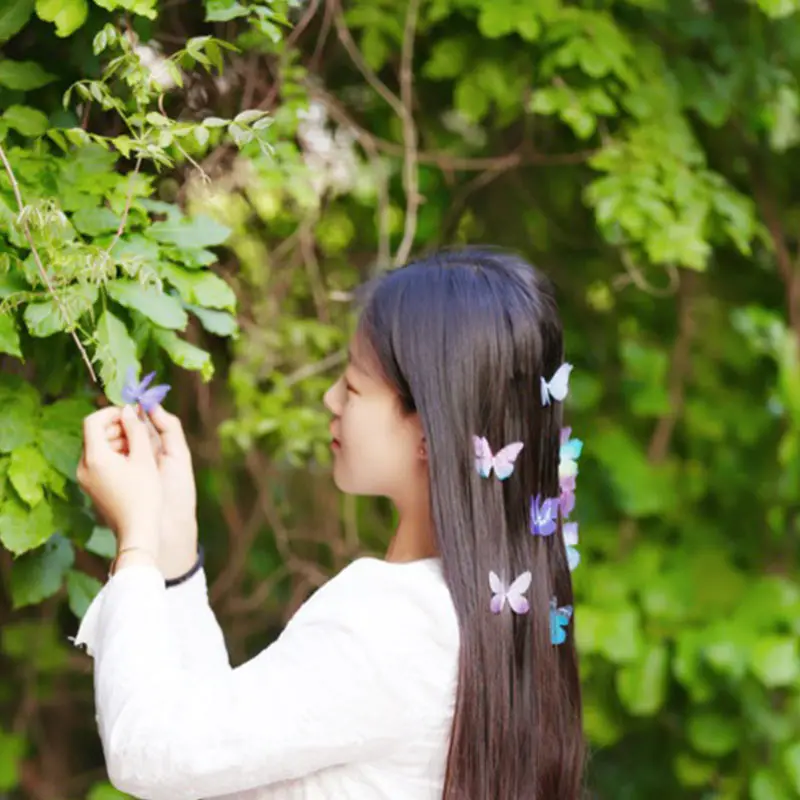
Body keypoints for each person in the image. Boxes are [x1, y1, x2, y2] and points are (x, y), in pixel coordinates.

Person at [74, 247, 585, 800]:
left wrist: (137, 548)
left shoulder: (392, 622)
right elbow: (214, 748)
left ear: (429, 430)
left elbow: (151, 752)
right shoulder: (485, 611)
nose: (330, 399)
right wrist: (173, 557)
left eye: (355, 386)